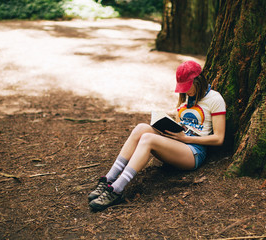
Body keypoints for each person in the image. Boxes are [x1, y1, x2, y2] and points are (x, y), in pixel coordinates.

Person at [88, 60, 226, 212]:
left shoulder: (215, 99)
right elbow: (181, 126)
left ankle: (116, 190)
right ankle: (109, 179)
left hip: (194, 151)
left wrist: (186, 139)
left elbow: (219, 138)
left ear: (198, 81)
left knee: (148, 139)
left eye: (188, 87)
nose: (185, 92)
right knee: (141, 128)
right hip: (178, 142)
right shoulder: (186, 98)